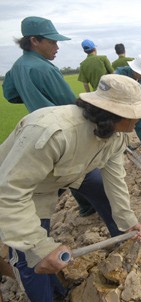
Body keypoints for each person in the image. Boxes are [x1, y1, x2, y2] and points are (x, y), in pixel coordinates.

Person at [0, 74, 141, 302]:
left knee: (98, 188)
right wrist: (39, 245)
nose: (139, 119)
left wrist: (127, 219)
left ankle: (62, 291)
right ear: (113, 113)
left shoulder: (115, 135)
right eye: (134, 114)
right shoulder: (52, 132)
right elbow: (11, 191)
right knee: (30, 257)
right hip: (22, 189)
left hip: (65, 174)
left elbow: (115, 179)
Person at [1, 16, 97, 217]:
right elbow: (69, 104)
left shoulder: (18, 66)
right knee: (86, 172)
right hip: (62, 129)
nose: (57, 47)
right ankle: (97, 210)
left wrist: (32, 96)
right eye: (52, 41)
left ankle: (86, 206)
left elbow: (10, 94)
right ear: (35, 40)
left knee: (64, 171)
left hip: (39, 129)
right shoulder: (44, 68)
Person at [115, 54, 141, 161]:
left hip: (136, 110)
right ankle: (121, 155)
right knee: (118, 137)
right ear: (135, 70)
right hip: (119, 109)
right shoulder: (120, 74)